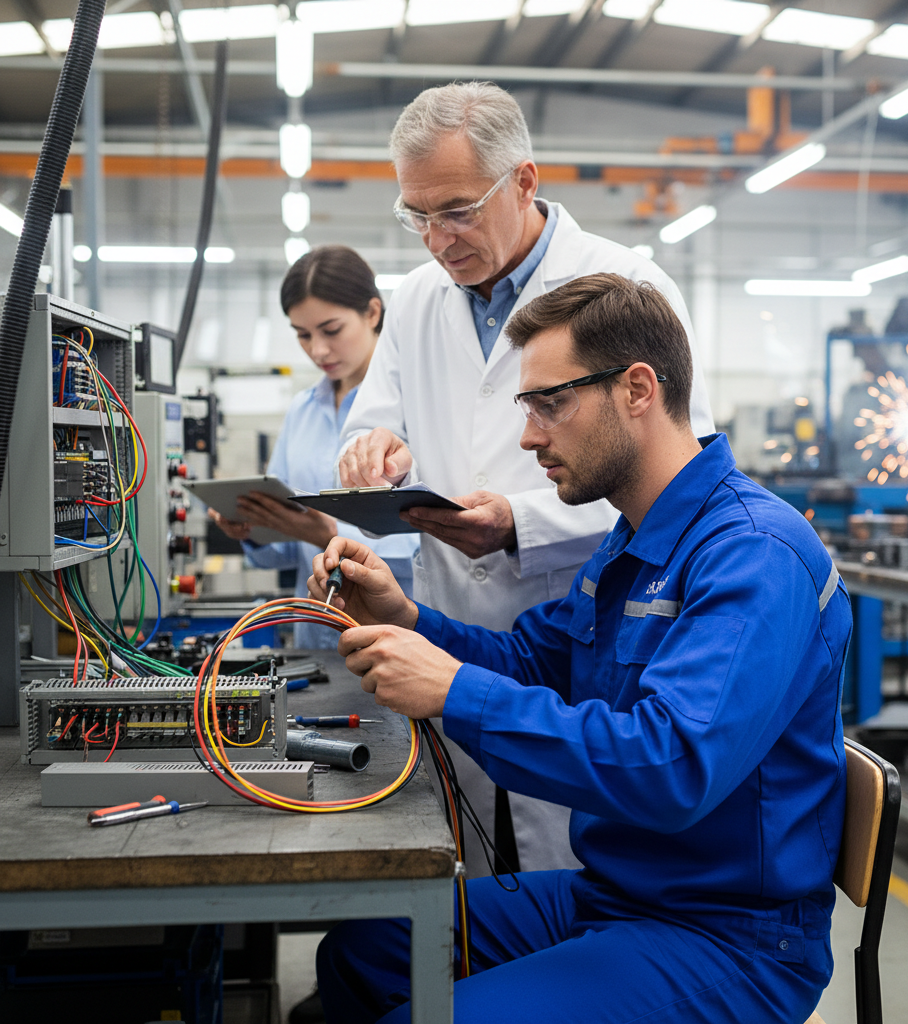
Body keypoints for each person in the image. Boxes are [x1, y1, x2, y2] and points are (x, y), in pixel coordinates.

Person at [309, 274, 851, 1024]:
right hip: (619, 892)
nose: (529, 436)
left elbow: (673, 766)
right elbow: (538, 662)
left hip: (728, 936)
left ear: (637, 389)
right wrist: (404, 618)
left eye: (549, 404)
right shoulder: (635, 537)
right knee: (361, 950)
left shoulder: (752, 555)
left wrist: (454, 691)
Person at [335, 82, 715, 874]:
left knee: (574, 859)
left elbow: (680, 472)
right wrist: (375, 446)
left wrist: (523, 520)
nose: (438, 239)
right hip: (450, 611)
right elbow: (379, 416)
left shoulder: (623, 286)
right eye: (418, 215)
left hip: (578, 616)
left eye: (458, 209)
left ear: (524, 182)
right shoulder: (413, 301)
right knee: (457, 858)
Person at [208, 245, 418, 650]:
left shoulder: (412, 402)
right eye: (303, 335)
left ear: (373, 313)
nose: (317, 350)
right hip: (316, 638)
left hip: (395, 635)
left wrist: (329, 533)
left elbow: (435, 539)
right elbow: (286, 555)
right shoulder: (303, 411)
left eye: (331, 330)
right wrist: (254, 528)